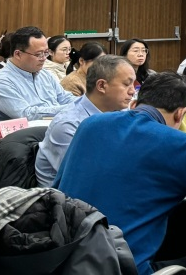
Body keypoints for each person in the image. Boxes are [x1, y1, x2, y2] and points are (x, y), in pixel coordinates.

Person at [55, 72, 186, 275]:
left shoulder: (90, 124)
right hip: (122, 267)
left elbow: (56, 187)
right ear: (180, 114)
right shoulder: (179, 144)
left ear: (135, 103)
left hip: (60, 260)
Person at [35, 55, 136, 187]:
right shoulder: (69, 125)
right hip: (64, 194)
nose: (132, 91)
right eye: (126, 84)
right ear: (101, 86)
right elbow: (83, 177)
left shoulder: (120, 111)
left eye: (133, 84)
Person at [0, 26, 76, 123]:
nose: (44, 58)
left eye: (46, 53)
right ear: (18, 54)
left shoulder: (45, 74)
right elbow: (27, 114)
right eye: (38, 54)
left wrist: (83, 103)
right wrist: (71, 108)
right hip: (26, 131)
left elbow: (65, 98)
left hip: (55, 126)